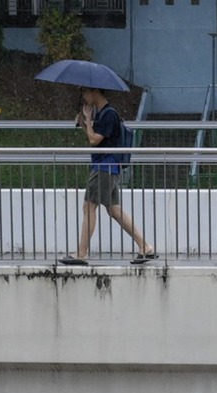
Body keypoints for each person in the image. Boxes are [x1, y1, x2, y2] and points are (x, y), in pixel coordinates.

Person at [58, 87, 156, 267]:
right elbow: (95, 139)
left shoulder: (109, 114)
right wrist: (84, 123)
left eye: (85, 92)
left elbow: (94, 140)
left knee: (89, 206)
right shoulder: (104, 114)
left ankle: (81, 253)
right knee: (113, 209)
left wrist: (88, 121)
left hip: (104, 167)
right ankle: (145, 246)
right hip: (108, 167)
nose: (84, 97)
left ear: (95, 91)